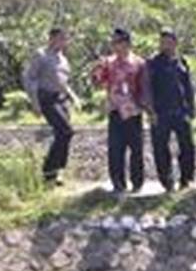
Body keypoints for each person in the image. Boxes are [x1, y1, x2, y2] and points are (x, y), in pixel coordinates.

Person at [91, 28, 149, 194]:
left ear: (127, 43)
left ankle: (137, 183)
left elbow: (144, 87)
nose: (116, 46)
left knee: (136, 149)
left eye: (119, 42)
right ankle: (118, 183)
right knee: (116, 149)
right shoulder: (108, 62)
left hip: (134, 111)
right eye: (114, 43)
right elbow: (98, 82)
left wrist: (147, 106)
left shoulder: (139, 63)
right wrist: (96, 71)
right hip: (115, 110)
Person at [22, 27, 80, 186]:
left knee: (64, 135)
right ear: (51, 39)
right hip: (46, 98)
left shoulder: (63, 59)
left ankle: (56, 173)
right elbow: (29, 79)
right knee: (66, 131)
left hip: (61, 99)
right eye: (61, 38)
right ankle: (48, 171)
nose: (64, 42)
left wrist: (73, 97)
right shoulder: (41, 55)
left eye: (65, 39)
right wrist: (35, 102)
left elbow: (63, 82)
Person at [144, 28, 196, 191]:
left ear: (175, 43)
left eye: (168, 42)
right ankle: (167, 181)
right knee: (160, 148)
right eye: (162, 42)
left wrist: (191, 109)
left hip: (180, 111)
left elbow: (188, 87)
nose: (165, 45)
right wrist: (150, 112)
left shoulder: (182, 61)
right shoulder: (152, 63)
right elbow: (147, 89)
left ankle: (186, 179)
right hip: (161, 112)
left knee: (187, 146)